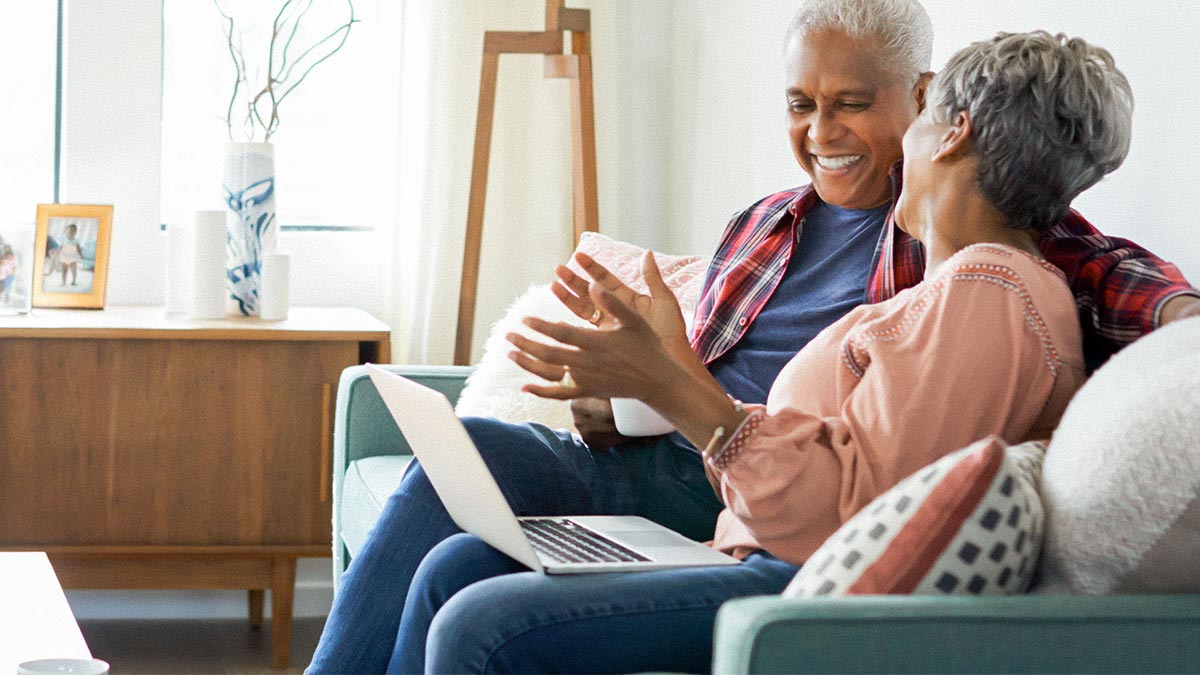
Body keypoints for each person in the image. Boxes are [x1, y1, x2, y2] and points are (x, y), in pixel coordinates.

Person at [307, 1, 1199, 672]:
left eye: (855, 104)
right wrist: (631, 381)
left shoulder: (987, 280)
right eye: (800, 104)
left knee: (474, 615)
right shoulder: (776, 225)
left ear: (941, 116)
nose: (822, 132)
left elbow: (1087, 259)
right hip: (714, 479)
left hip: (758, 514)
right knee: (457, 520)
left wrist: (1178, 320)